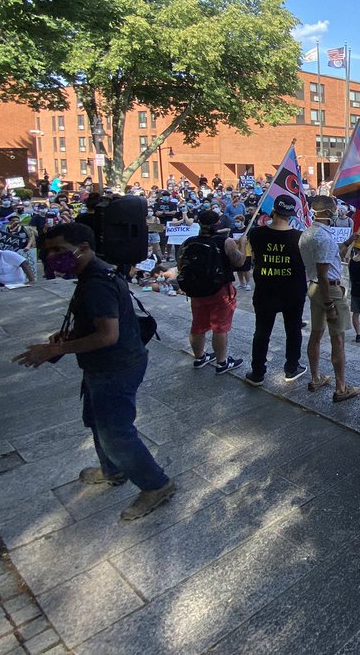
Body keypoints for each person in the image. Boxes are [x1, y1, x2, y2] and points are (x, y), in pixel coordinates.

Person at [12, 223, 174, 522]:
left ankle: (157, 485)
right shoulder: (92, 275)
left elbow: (106, 336)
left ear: (83, 247)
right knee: (97, 422)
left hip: (116, 366)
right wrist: (68, 337)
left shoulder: (97, 281)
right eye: (48, 251)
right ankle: (113, 470)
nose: (52, 256)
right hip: (102, 365)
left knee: (116, 434)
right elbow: (95, 323)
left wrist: (53, 351)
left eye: (59, 249)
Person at [299, 195, 360, 402]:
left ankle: (315, 377)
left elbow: (332, 257)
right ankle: (341, 387)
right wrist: (330, 305)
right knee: (338, 340)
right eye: (335, 208)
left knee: (316, 334)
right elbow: (324, 273)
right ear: (327, 212)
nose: (337, 211)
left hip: (314, 288)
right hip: (329, 291)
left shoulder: (308, 233)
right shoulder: (323, 237)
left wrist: (348, 241)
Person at [245, 194, 308, 386]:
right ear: (292, 215)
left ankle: (257, 372)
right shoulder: (300, 238)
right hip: (293, 291)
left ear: (273, 210)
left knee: (262, 332)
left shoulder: (255, 234)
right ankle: (291, 367)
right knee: (293, 329)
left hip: (265, 291)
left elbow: (252, 255)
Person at [182, 210, 246, 375]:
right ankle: (222, 362)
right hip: (220, 290)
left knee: (198, 325)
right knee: (220, 327)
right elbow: (239, 262)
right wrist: (243, 244)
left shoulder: (189, 242)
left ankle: (199, 357)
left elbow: (180, 262)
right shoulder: (226, 242)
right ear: (218, 223)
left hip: (196, 291)